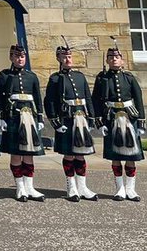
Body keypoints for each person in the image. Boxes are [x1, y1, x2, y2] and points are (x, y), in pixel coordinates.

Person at [46, 39, 99, 201]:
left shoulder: (80, 76)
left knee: (81, 155)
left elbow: (88, 98)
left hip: (81, 118)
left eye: (70, 56)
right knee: (69, 155)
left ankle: (82, 187)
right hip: (66, 120)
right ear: (58, 59)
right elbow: (50, 102)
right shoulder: (55, 79)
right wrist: (56, 122)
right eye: (64, 57)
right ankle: (71, 187)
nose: (68, 59)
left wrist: (91, 119)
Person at [92, 42, 146, 201]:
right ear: (107, 61)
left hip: (130, 118)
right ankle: (120, 189)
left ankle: (131, 189)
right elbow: (96, 100)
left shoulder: (129, 78)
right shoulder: (102, 78)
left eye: (117, 57)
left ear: (122, 60)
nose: (114, 60)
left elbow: (139, 99)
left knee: (131, 156)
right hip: (111, 119)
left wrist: (141, 123)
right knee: (116, 155)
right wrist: (99, 123)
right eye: (111, 57)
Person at [0, 43, 46, 202]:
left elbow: (38, 99)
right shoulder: (4, 76)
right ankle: (20, 187)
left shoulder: (31, 76)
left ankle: (30, 186)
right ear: (11, 57)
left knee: (29, 153)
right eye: (17, 56)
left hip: (29, 117)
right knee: (16, 153)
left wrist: (39, 118)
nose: (20, 59)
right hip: (13, 117)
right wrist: (0, 119)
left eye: (22, 56)